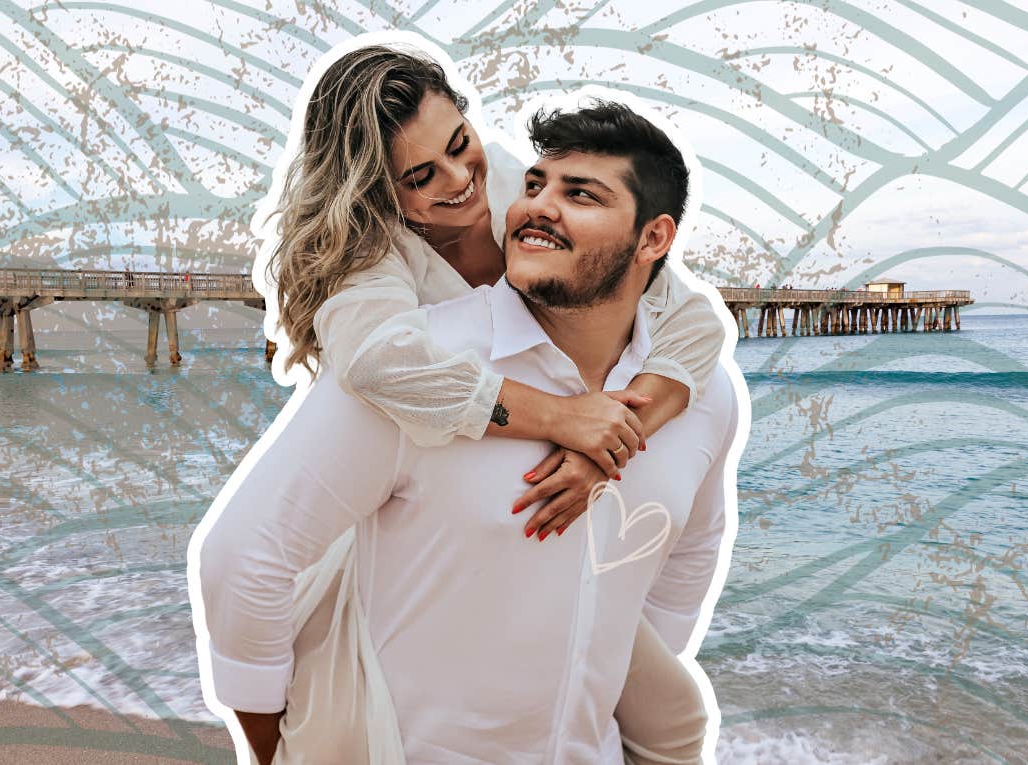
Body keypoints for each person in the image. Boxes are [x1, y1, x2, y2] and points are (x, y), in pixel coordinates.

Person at [195, 98, 740, 763]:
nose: (458, 180)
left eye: (459, 145)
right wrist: (272, 750)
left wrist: (626, 428)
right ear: (380, 197)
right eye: (418, 177)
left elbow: (692, 543)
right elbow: (244, 555)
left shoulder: (704, 395)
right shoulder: (388, 318)